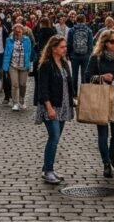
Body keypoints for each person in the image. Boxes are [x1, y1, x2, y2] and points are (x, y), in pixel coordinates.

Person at [84, 30, 114, 178]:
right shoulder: (96, 57)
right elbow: (86, 77)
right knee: (103, 134)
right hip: (101, 97)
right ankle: (106, 163)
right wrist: (101, 77)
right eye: (112, 41)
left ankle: (111, 154)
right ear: (104, 43)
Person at [35, 35, 75, 184]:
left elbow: (67, 85)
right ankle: (48, 171)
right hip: (50, 106)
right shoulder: (46, 65)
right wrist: (49, 108)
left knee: (55, 139)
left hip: (64, 106)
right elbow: (43, 88)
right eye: (62, 47)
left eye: (65, 47)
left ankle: (48, 167)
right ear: (53, 48)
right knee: (54, 137)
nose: (65, 49)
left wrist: (72, 100)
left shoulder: (64, 63)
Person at [2, 23, 34, 111]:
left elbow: (30, 52)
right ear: (13, 31)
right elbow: (7, 54)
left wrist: (29, 64)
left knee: (22, 84)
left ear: (23, 31)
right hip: (13, 65)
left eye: (20, 29)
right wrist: (5, 68)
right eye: (16, 29)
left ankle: (22, 100)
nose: (18, 31)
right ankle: (15, 103)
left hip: (24, 65)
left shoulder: (27, 40)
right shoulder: (9, 40)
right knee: (15, 85)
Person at [66, 13, 94, 91]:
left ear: (76, 20)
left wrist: (68, 54)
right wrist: (89, 53)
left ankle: (74, 92)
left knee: (74, 75)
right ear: (85, 20)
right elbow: (90, 44)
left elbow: (69, 43)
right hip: (85, 55)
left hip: (74, 55)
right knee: (84, 74)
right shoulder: (88, 30)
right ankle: (83, 92)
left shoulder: (72, 30)